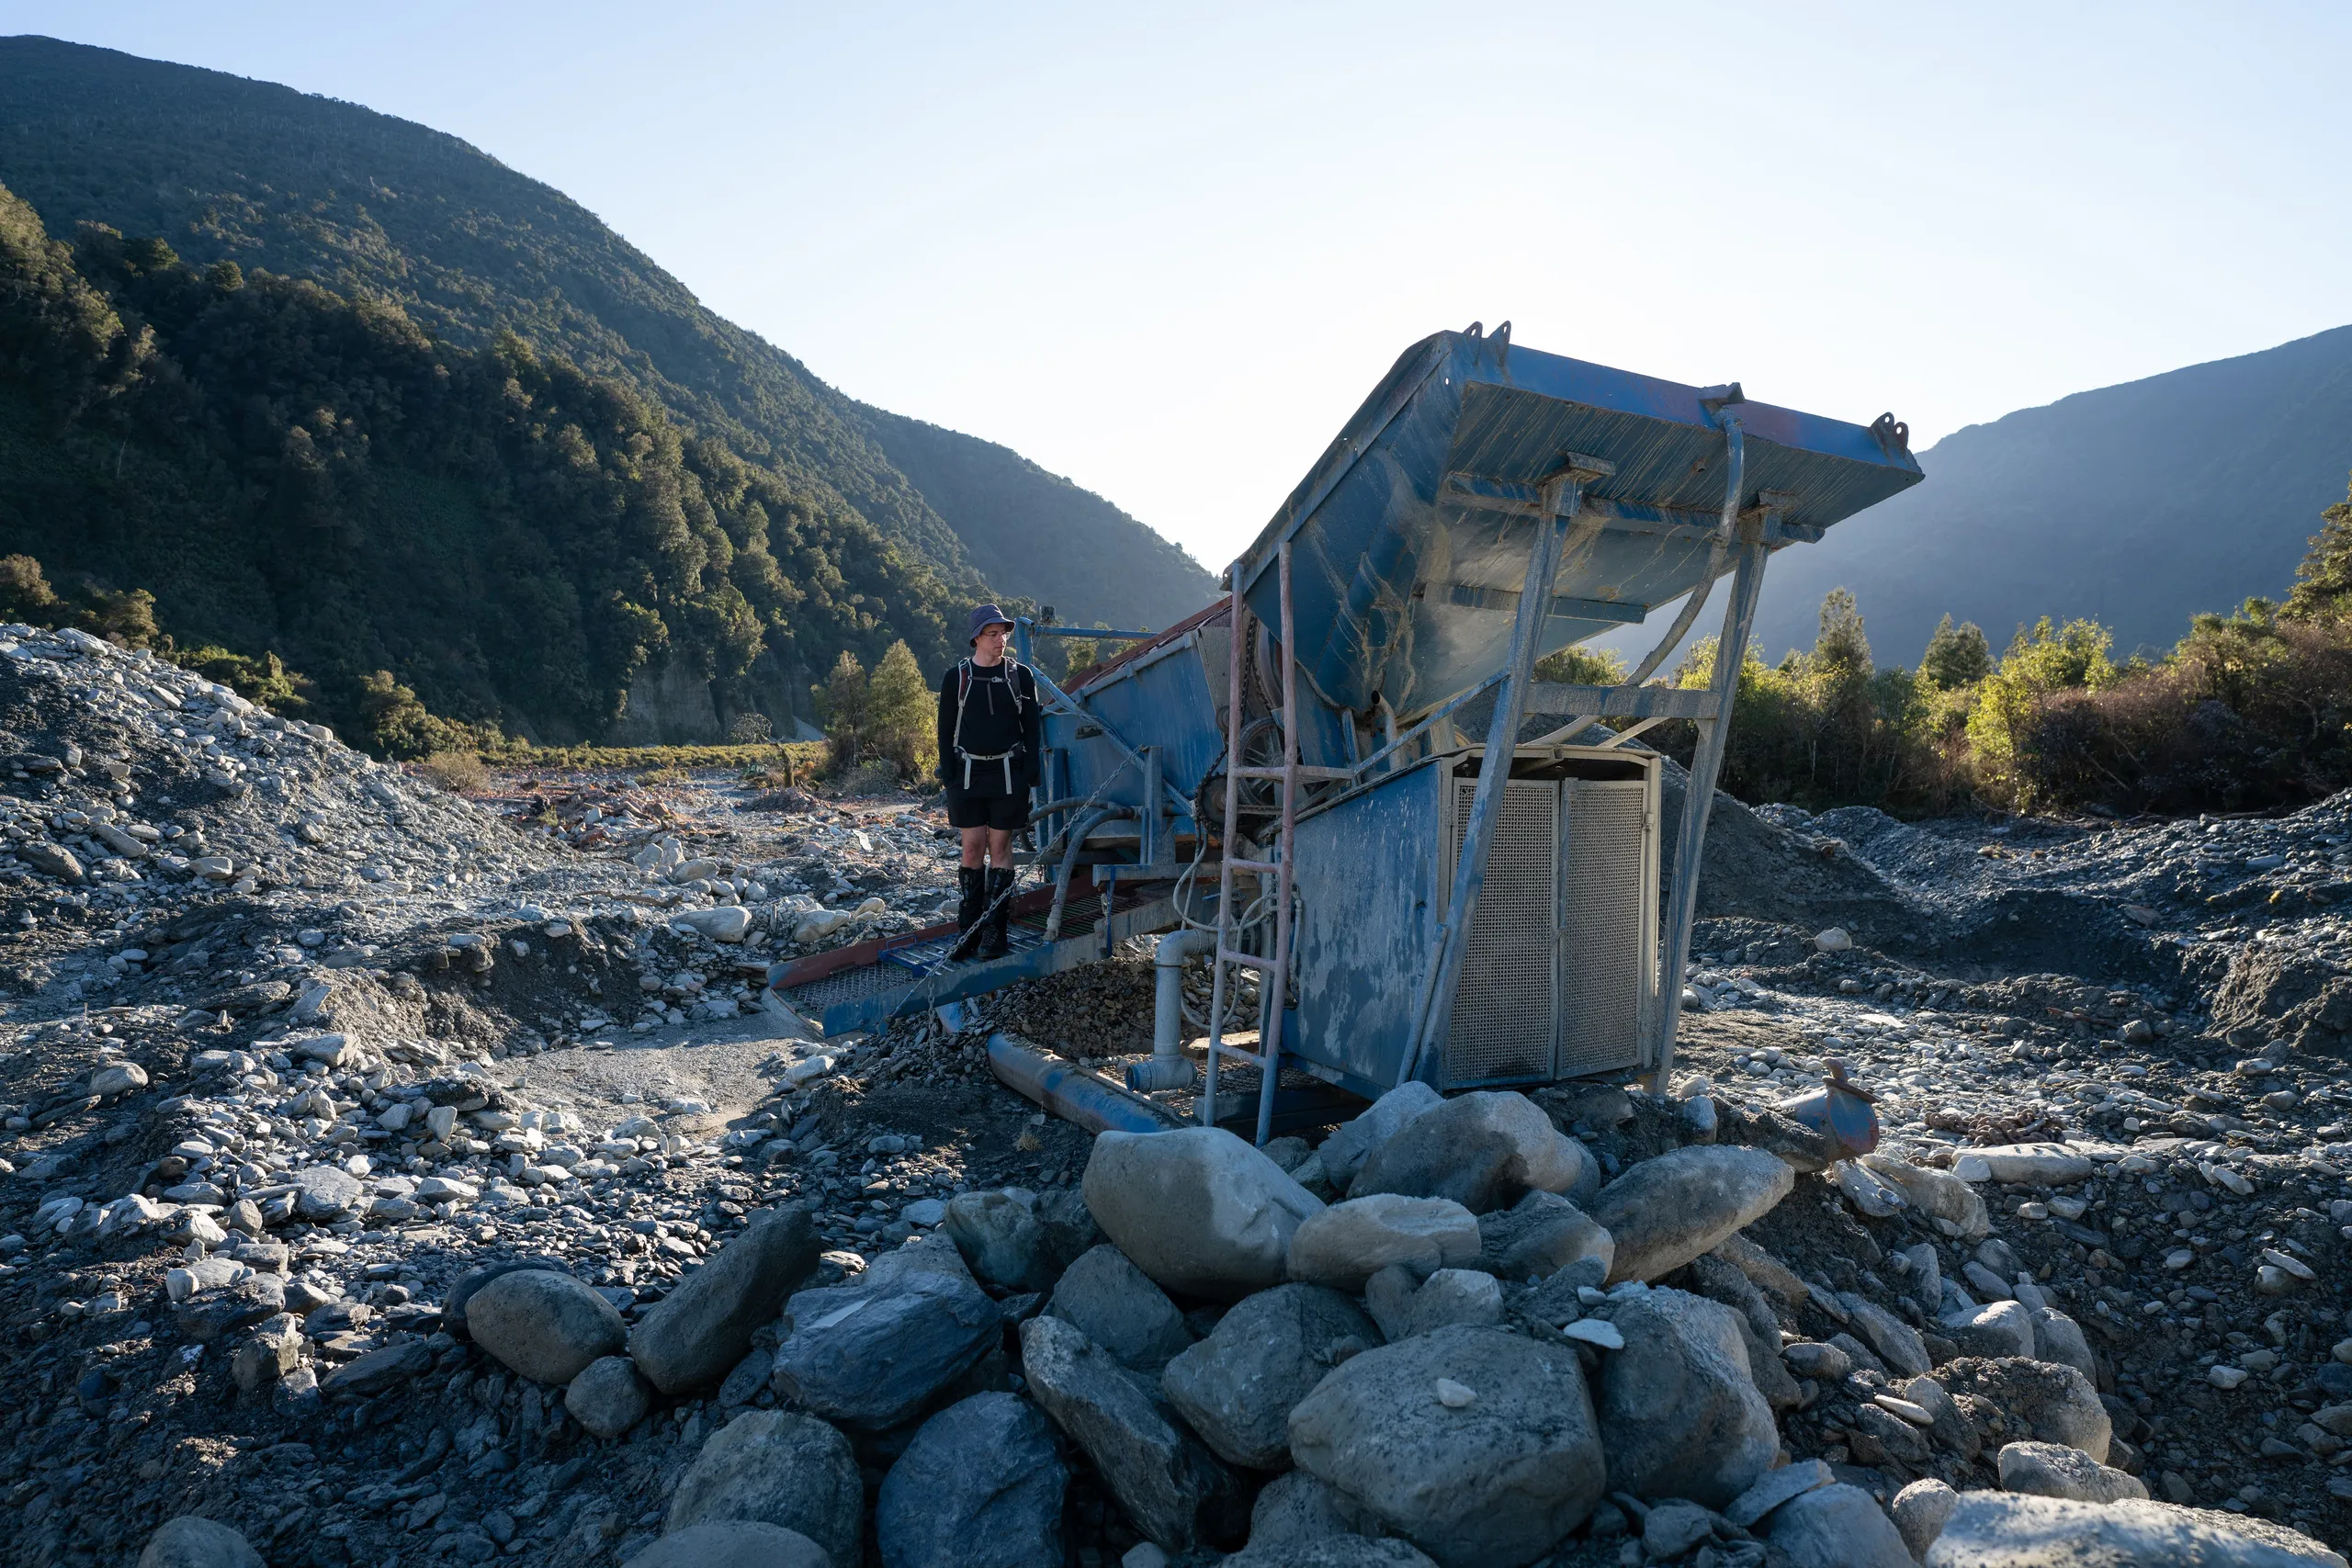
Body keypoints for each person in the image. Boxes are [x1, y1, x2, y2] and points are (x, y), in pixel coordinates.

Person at [937, 604, 1041, 960]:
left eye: (1004, 633)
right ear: (976, 638)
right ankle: (967, 932)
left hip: (1009, 773)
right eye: (993, 634)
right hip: (967, 774)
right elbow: (945, 728)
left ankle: (995, 933)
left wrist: (1032, 770)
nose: (1001, 640)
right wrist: (947, 770)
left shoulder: (1020, 676)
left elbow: (1032, 726)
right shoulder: (957, 677)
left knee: (1000, 850)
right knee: (971, 848)